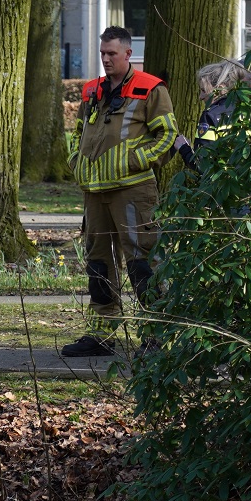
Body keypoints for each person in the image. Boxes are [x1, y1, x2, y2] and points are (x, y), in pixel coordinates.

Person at [60, 27, 177, 359]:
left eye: (112, 53)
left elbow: (167, 135)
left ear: (128, 54)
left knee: (142, 262)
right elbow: (79, 132)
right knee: (98, 263)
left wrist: (135, 161)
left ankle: (157, 336)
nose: (106, 59)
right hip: (94, 192)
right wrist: (75, 161)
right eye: (102, 53)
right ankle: (101, 335)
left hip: (133, 191)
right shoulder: (92, 90)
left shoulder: (151, 89)